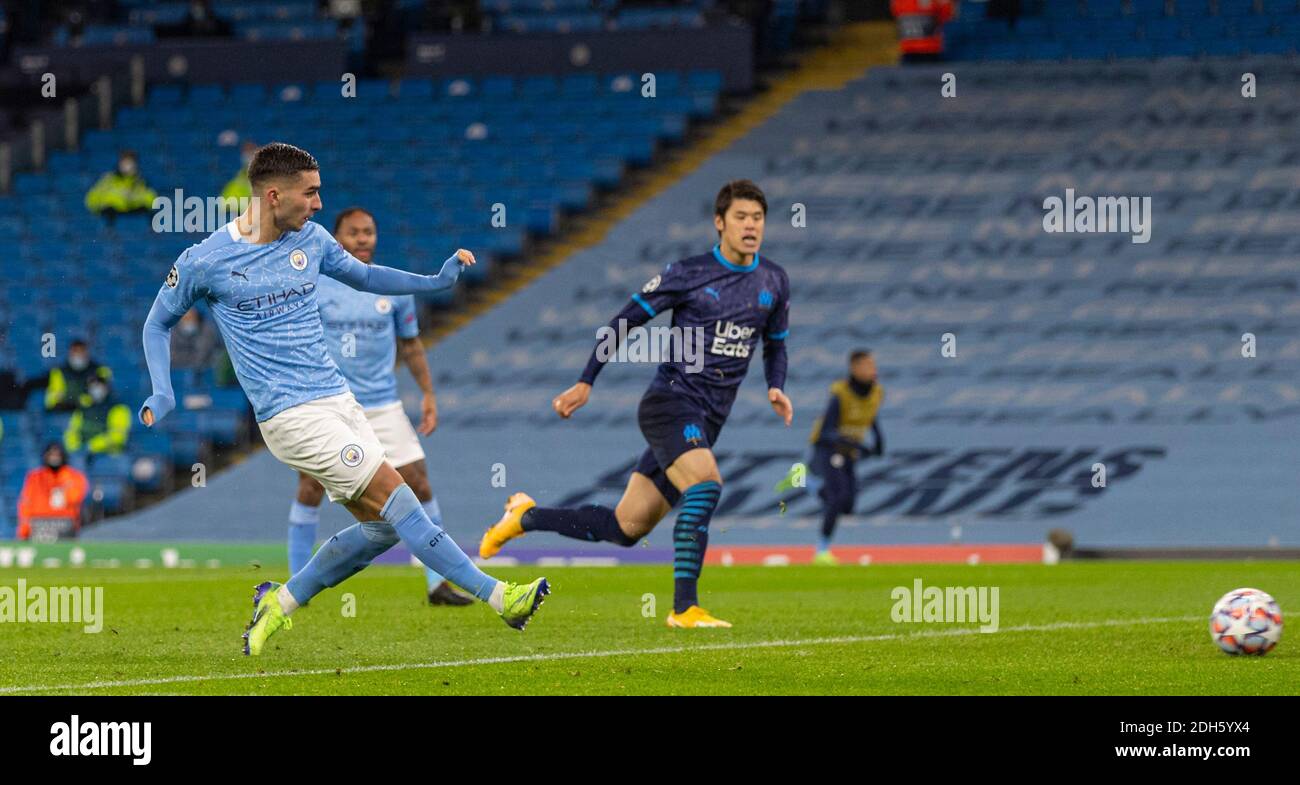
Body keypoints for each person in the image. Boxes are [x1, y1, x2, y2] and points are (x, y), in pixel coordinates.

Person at [137, 142, 548, 656]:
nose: (317, 204)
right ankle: (499, 597)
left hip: (339, 401)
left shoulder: (310, 239)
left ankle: (280, 603)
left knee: (382, 530)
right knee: (402, 500)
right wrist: (163, 388)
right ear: (272, 195)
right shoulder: (206, 260)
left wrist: (434, 282)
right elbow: (158, 322)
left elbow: (368, 276)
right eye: (309, 193)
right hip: (290, 416)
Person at [479, 179, 792, 629]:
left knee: (626, 528)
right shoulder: (690, 273)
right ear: (719, 223)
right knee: (705, 485)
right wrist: (587, 380)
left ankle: (525, 517)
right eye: (741, 217)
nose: (750, 226)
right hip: (670, 402)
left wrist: (775, 386)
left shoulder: (774, 281)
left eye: (757, 218)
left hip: (708, 420)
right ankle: (685, 608)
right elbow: (625, 320)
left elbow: (775, 344)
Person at [289, 206, 474, 606]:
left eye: (369, 232)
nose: (362, 238)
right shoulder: (315, 286)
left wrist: (427, 393)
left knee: (418, 483)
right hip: (332, 407)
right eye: (353, 232)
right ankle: (296, 583)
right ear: (336, 239)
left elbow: (411, 345)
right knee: (309, 487)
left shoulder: (392, 288)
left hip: (383, 405)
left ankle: (436, 583)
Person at [807, 349, 883, 565]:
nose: (872, 369)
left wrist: (878, 442)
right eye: (867, 365)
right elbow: (826, 432)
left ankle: (815, 486)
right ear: (855, 368)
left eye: (873, 364)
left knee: (849, 504)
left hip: (849, 451)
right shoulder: (841, 394)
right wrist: (857, 443)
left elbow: (871, 415)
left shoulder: (876, 392)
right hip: (829, 449)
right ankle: (821, 550)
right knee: (837, 497)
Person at [17, 442, 89, 541]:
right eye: (51, 454)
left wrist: (62, 482)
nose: (54, 458)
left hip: (65, 525)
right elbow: (26, 503)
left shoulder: (74, 477)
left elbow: (74, 497)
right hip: (38, 524)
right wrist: (24, 529)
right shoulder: (34, 477)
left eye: (57, 455)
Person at [64, 376, 132, 456]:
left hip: (109, 455)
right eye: (92, 387)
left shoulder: (119, 408)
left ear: (106, 387)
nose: (95, 390)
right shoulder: (83, 408)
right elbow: (72, 431)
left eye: (98, 386)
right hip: (84, 454)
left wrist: (92, 446)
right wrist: (74, 447)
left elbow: (118, 436)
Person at [84, 150, 157, 220]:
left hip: (134, 217)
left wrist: (132, 198)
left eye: (131, 163)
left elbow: (152, 200)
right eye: (125, 163)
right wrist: (109, 203)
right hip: (112, 218)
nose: (128, 166)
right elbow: (91, 199)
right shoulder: (108, 179)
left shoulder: (141, 182)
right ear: (120, 163)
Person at [45, 339, 112, 412]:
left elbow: (105, 396)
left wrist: (88, 400)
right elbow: (52, 401)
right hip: (67, 413)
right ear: (70, 353)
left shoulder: (100, 370)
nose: (78, 355)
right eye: (75, 351)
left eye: (81, 351)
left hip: (93, 412)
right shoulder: (58, 372)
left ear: (86, 353)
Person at [170, 308, 221, 385]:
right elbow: (172, 356)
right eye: (186, 319)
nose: (189, 321)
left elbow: (203, 354)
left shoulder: (207, 329)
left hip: (206, 371)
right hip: (179, 373)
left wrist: (188, 359)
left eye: (191, 318)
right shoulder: (172, 332)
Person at [220, 140, 257, 207]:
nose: (249, 156)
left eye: (251, 152)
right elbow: (223, 205)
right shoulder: (236, 182)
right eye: (247, 152)